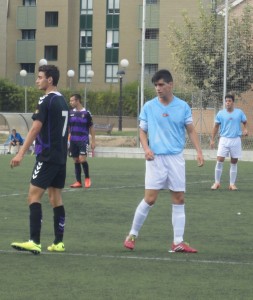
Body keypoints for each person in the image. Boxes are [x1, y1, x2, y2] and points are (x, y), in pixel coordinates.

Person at [123, 69, 204, 253]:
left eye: (161, 85)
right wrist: (146, 148)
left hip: (175, 158)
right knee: (150, 199)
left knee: (179, 198)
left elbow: (191, 130)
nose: (158, 88)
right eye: (156, 85)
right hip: (156, 159)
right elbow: (142, 131)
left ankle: (178, 242)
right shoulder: (149, 107)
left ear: (170, 85)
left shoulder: (183, 106)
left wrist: (199, 151)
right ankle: (132, 235)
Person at [10, 64, 69, 255]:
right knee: (55, 198)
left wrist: (20, 153)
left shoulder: (46, 100)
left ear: (49, 79)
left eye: (40, 77)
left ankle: (34, 241)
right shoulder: (63, 101)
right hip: (60, 157)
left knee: (33, 196)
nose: (37, 80)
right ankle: (58, 242)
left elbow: (35, 128)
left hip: (47, 156)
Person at [210, 94, 248, 191]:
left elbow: (245, 121)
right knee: (219, 160)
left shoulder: (239, 112)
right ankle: (217, 183)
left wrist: (245, 129)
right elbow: (215, 127)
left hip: (236, 140)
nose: (227, 103)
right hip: (224, 139)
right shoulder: (220, 113)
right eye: (226, 101)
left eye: (229, 101)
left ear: (233, 102)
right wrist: (212, 139)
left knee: (234, 162)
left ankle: (232, 184)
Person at [68, 93, 95, 188]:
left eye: (72, 100)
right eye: (70, 100)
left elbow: (91, 127)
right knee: (76, 160)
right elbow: (68, 127)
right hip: (73, 141)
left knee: (82, 159)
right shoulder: (70, 113)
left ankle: (87, 178)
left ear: (77, 101)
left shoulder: (87, 113)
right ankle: (78, 182)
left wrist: (93, 141)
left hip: (83, 140)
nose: (70, 102)